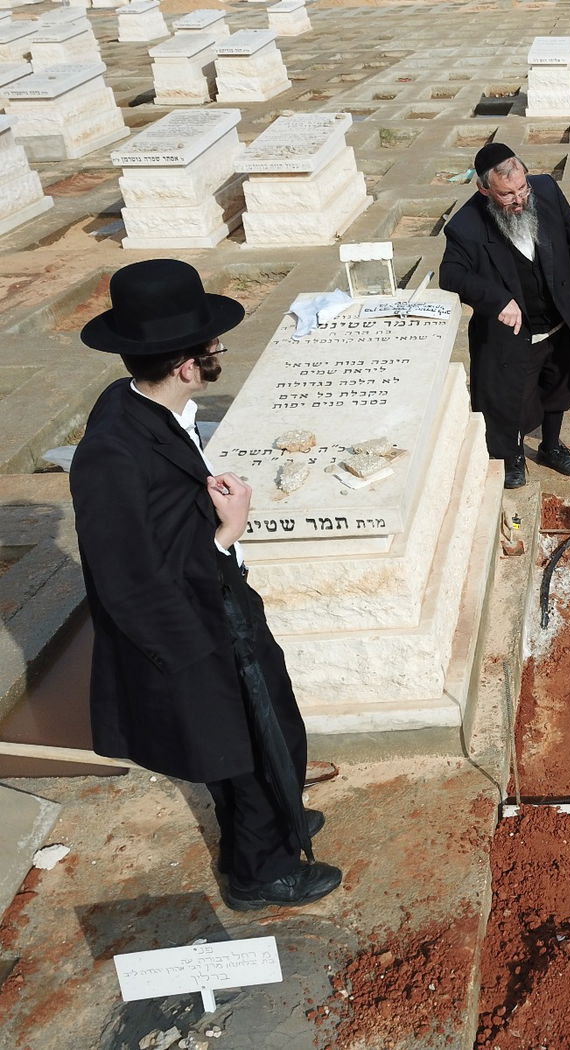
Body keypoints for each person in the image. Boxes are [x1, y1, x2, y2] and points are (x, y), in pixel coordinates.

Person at [71, 259, 340, 911]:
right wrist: (225, 534)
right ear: (188, 363)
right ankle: (260, 870)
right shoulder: (111, 452)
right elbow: (127, 579)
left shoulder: (143, 407)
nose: (215, 355)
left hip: (220, 605)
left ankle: (281, 817)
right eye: (211, 347)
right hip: (191, 633)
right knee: (241, 754)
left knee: (276, 728)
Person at [440, 142, 570, 489]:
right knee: (512, 398)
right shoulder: (465, 225)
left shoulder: (547, 190)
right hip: (515, 333)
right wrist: (496, 299)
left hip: (561, 319)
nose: (519, 199)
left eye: (522, 188)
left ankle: (551, 446)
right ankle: (514, 456)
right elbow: (451, 275)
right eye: (507, 194)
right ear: (484, 188)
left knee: (561, 387)